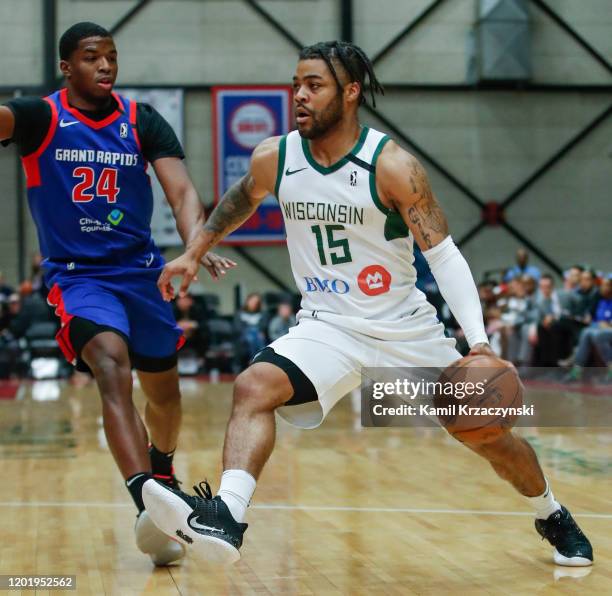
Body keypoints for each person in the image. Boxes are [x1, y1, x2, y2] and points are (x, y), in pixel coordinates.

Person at [143, 41, 592, 567]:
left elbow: (445, 259)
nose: (300, 97)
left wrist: (480, 345)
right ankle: (228, 517)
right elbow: (241, 198)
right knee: (253, 385)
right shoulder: (277, 156)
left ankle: (551, 511)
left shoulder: (392, 165)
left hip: (404, 331)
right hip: (328, 325)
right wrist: (195, 252)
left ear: (350, 92)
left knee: (488, 433)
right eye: (297, 85)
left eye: (315, 86)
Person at [0, 22, 236, 565]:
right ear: (67, 67)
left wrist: (196, 246)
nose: (105, 65)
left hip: (142, 273)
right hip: (78, 276)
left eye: (111, 56)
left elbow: (180, 190)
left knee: (165, 394)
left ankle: (162, 468)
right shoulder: (41, 118)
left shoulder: (141, 121)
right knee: (111, 364)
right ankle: (149, 503)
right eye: (91, 57)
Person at [565, 276, 612, 381]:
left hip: (607, 329)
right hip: (600, 329)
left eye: (606, 285)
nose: (602, 288)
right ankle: (577, 370)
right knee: (587, 332)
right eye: (602, 285)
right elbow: (596, 320)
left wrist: (607, 325)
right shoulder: (602, 301)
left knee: (597, 335)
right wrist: (598, 324)